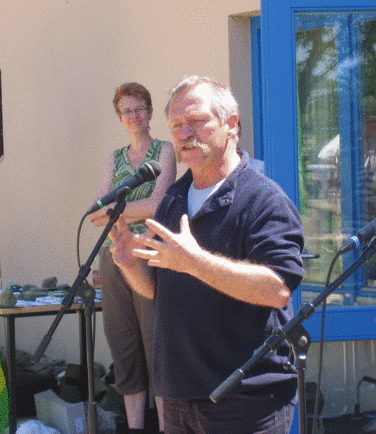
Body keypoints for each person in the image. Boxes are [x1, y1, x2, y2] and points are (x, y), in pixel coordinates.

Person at [108, 76, 304, 434]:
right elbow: (158, 290)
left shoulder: (264, 200)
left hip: (244, 399)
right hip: (177, 398)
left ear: (232, 124)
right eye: (176, 125)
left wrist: (195, 262)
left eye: (197, 121)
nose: (185, 133)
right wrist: (130, 264)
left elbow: (277, 289)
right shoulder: (172, 199)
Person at [88, 82, 176, 434]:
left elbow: (159, 204)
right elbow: (97, 213)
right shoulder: (113, 158)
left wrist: (118, 210)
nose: (134, 115)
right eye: (127, 111)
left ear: (150, 112)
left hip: (151, 253)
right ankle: (136, 428)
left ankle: (167, 426)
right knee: (123, 343)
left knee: (156, 343)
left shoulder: (164, 151)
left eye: (140, 108)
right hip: (115, 253)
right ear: (119, 117)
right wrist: (122, 221)